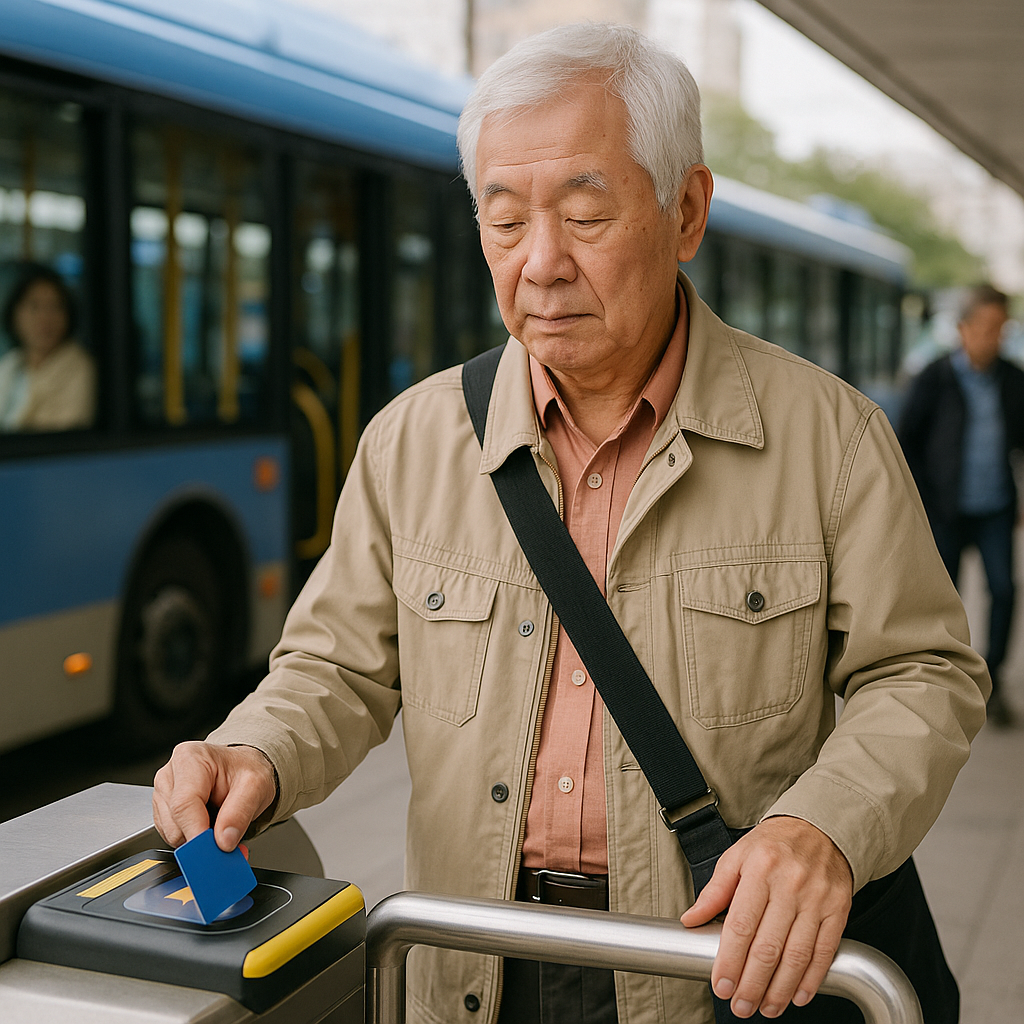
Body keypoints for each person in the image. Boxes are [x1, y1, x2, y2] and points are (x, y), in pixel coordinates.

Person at [153, 24, 988, 1024]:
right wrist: (256, 753)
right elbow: (333, 667)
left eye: (585, 214)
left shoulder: (830, 438)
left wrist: (826, 827)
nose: (540, 263)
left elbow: (922, 673)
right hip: (472, 961)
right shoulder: (412, 441)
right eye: (503, 221)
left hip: (714, 971)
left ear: (686, 211)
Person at [899, 284, 1024, 728]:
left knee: (1005, 591)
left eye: (1002, 329)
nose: (995, 338)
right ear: (963, 329)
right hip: (944, 510)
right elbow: (905, 442)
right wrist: (920, 502)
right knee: (941, 601)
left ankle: (994, 682)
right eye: (988, 328)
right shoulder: (933, 378)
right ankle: (943, 687)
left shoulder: (1012, 379)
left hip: (995, 509)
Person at [0, 263, 96, 431]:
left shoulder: (77, 368)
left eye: (55, 307)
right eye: (34, 307)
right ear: (15, 313)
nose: (45, 318)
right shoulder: (10, 364)